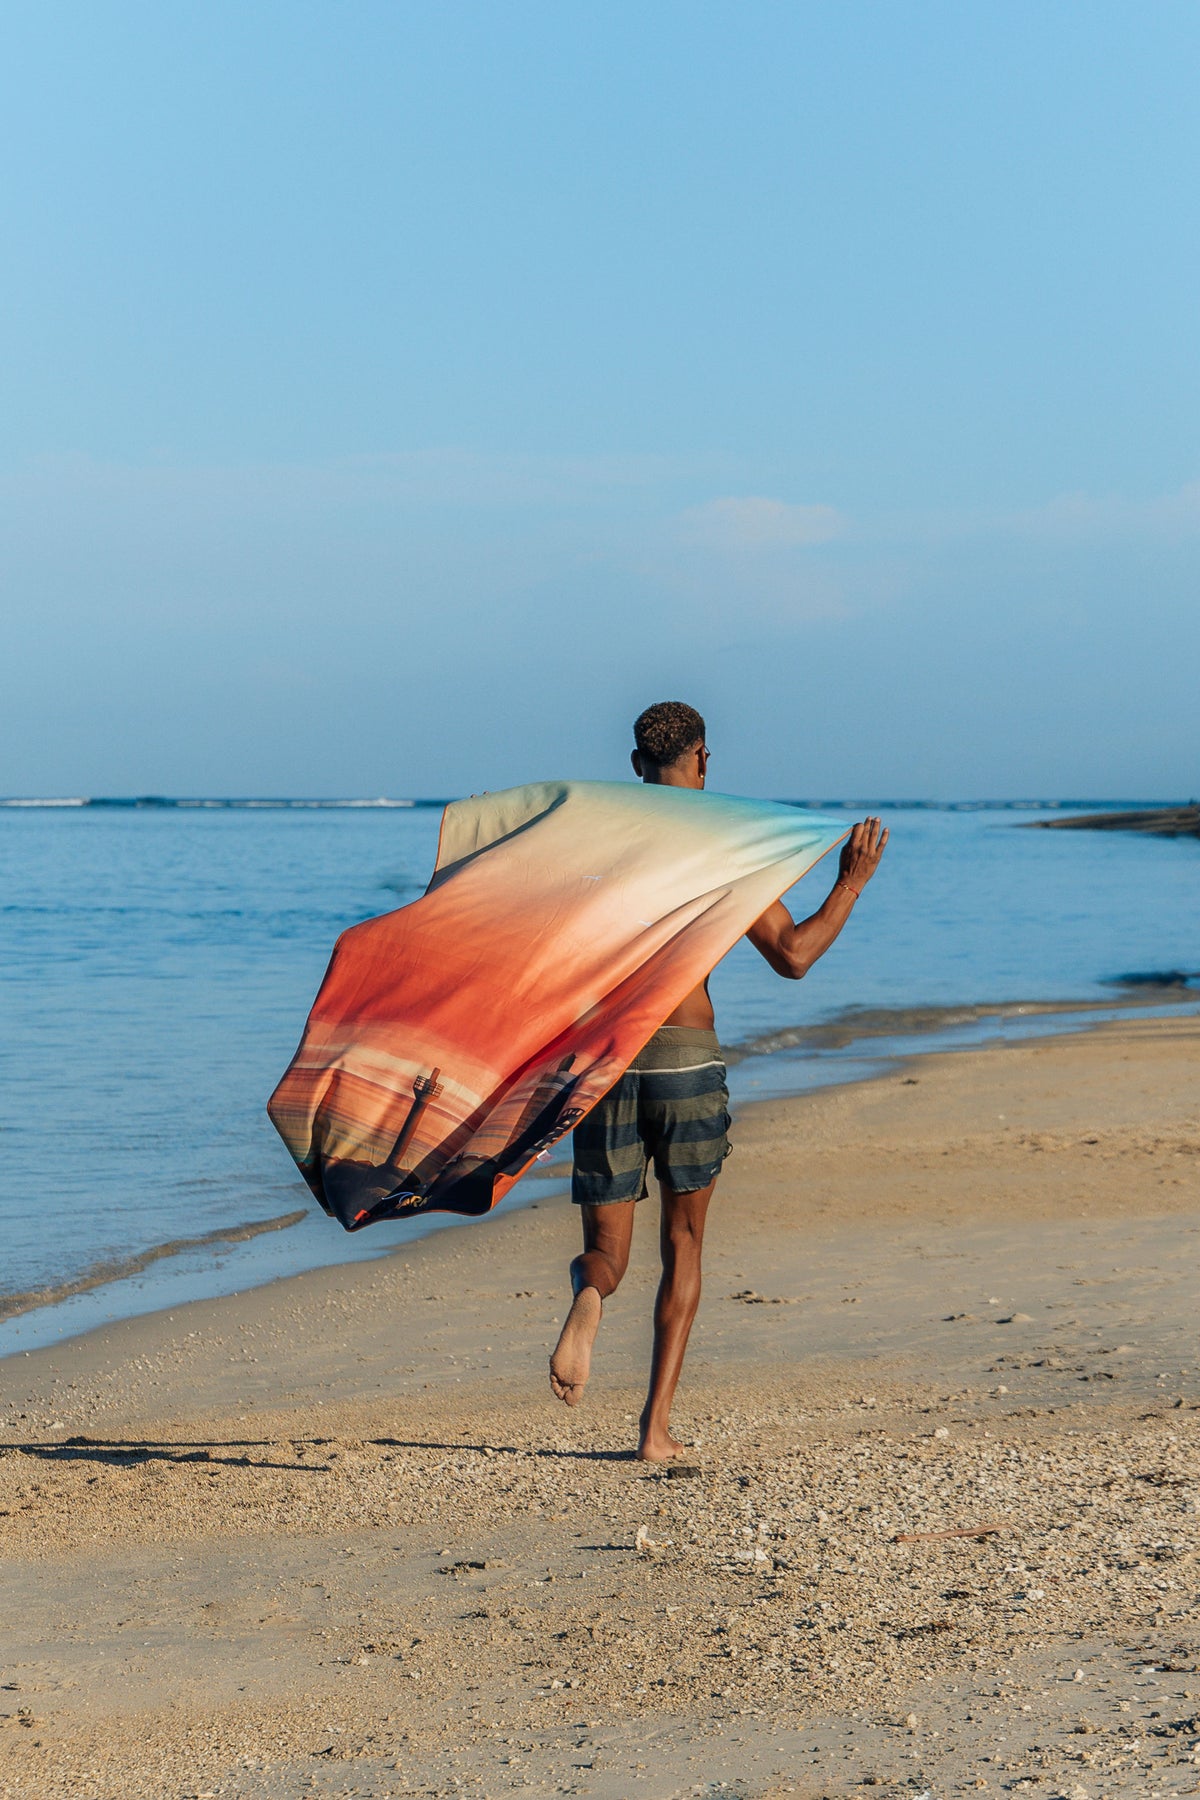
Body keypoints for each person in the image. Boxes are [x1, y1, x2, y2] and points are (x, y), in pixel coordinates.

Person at [548, 700, 888, 1460]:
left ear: (635, 766)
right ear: (704, 760)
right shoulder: (724, 850)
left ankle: (589, 1298)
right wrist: (852, 882)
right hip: (686, 1058)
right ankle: (654, 1431)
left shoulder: (600, 846)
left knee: (608, 1249)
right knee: (685, 1242)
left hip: (608, 1054)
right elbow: (794, 955)